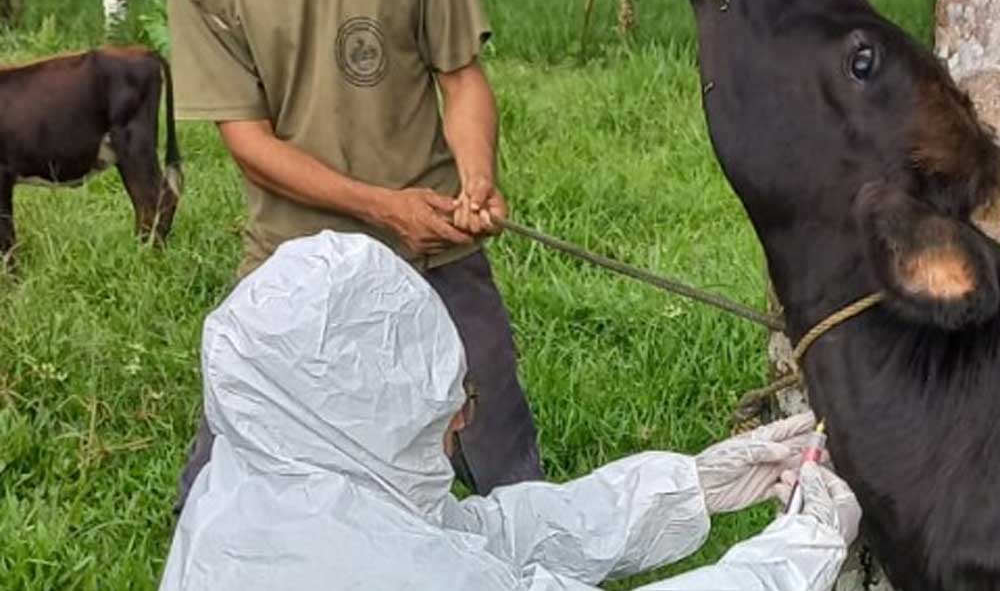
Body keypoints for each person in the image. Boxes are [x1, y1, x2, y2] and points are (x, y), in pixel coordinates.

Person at [159, 231, 863, 591]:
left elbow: (481, 534)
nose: (463, 423)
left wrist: (692, 484)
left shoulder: (266, 481)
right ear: (355, 416)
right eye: (441, 408)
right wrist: (797, 555)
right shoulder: (374, 568)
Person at [164, 0, 543, 509]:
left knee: (507, 463)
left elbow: (462, 78)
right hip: (291, 255)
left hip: (435, 246)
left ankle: (533, 557)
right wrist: (385, 209)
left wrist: (476, 180)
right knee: (217, 479)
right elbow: (249, 143)